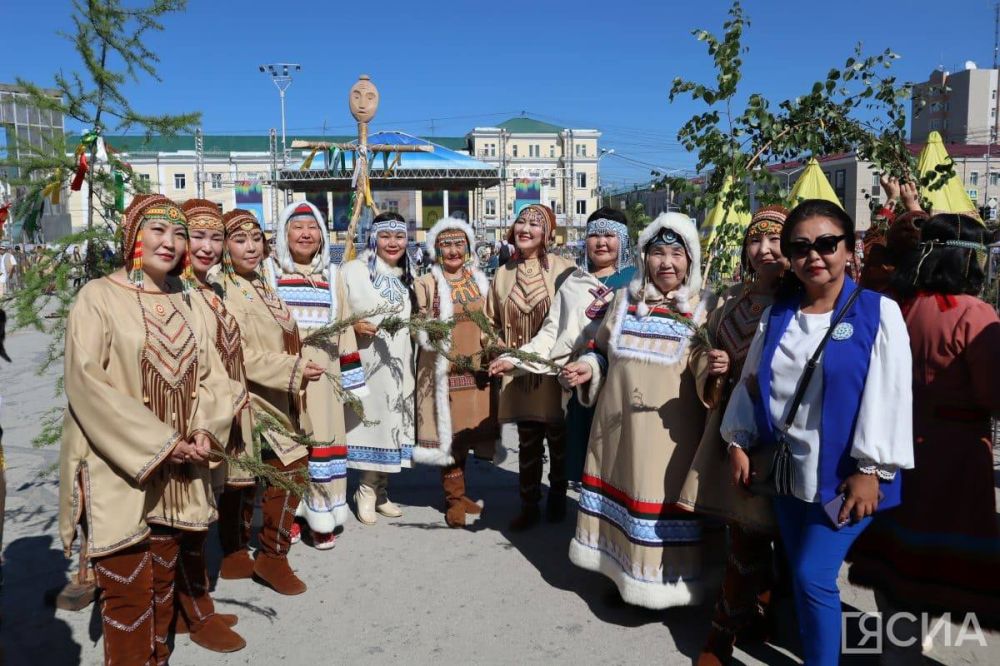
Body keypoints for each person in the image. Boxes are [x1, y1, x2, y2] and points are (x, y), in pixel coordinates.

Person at [720, 199, 914, 666]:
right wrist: (738, 440)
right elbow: (753, 380)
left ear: (849, 249)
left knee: (811, 576)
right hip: (789, 475)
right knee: (802, 576)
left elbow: (889, 393)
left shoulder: (877, 312)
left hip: (847, 478)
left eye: (828, 244)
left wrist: (872, 468)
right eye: (802, 246)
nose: (815, 256)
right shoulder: (779, 314)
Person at [59, 194, 234, 664]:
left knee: (161, 581)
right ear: (133, 236)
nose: (172, 242)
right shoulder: (98, 296)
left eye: (179, 233)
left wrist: (203, 430)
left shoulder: (189, 297)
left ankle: (159, 655)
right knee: (127, 594)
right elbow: (85, 381)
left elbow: (215, 376)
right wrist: (161, 443)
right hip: (120, 465)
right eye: (158, 230)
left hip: (179, 473)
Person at [849, 214, 1000, 645]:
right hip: (954, 454)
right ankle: (908, 646)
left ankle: (899, 641)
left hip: (894, 446)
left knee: (899, 551)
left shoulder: (894, 303)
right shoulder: (974, 313)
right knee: (937, 556)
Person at [560, 212, 709, 609]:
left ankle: (667, 587)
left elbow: (708, 370)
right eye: (657, 252)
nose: (666, 263)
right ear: (644, 258)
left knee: (659, 504)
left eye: (676, 254)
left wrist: (717, 368)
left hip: (670, 438)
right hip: (618, 428)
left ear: (691, 260)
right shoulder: (626, 302)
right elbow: (603, 352)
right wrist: (587, 368)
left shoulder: (703, 309)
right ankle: (622, 576)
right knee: (623, 502)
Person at [674, 205, 789, 664]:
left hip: (771, 434)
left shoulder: (798, 305)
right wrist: (712, 365)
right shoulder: (729, 301)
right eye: (756, 241)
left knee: (754, 531)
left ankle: (726, 630)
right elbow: (699, 348)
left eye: (776, 241)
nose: (765, 250)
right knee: (744, 529)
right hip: (725, 428)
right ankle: (749, 613)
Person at [219, 208, 324, 595]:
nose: (250, 247)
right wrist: (293, 369)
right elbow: (238, 354)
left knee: (252, 473)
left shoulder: (261, 283)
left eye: (255, 239)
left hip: (275, 393)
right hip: (250, 395)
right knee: (286, 468)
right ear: (225, 246)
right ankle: (269, 556)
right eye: (239, 239)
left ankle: (236, 554)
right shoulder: (222, 290)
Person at [489, 207, 635, 485]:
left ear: (623, 240)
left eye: (609, 236)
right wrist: (516, 359)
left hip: (622, 383)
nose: (601, 242)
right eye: (594, 235)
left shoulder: (637, 283)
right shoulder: (573, 284)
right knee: (587, 463)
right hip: (582, 387)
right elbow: (552, 334)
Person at [171, 199, 249, 653]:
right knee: (189, 516)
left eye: (215, 238)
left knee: (202, 510)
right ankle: (194, 608)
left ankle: (191, 604)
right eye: (197, 236)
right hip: (190, 419)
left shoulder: (210, 289)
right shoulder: (177, 290)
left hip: (217, 416)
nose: (207, 247)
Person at [269, 201, 365, 549]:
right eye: (298, 227)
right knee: (288, 446)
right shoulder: (269, 273)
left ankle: (321, 516)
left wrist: (352, 382)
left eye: (313, 228)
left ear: (323, 237)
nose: (305, 234)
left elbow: (345, 330)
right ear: (284, 233)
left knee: (323, 443)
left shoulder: (333, 275)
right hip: (284, 376)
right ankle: (290, 516)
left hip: (325, 377)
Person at [483, 204, 576, 530]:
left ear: (547, 234)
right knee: (527, 440)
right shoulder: (503, 273)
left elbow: (575, 318)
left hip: (553, 371)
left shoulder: (565, 270)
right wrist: (492, 344)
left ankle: (558, 496)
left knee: (559, 437)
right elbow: (490, 319)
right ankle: (529, 503)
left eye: (535, 224)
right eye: (521, 221)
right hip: (518, 375)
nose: (525, 228)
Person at [412, 216, 498, 528]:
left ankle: (461, 494)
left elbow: (491, 318)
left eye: (458, 244)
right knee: (449, 437)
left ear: (469, 248)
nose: (452, 250)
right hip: (442, 370)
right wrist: (429, 332)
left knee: (466, 434)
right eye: (445, 244)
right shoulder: (426, 283)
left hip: (474, 369)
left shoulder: (481, 280)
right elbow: (416, 325)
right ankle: (453, 500)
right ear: (435, 248)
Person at [341, 211, 417, 524]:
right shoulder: (352, 271)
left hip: (400, 362)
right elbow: (337, 313)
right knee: (372, 424)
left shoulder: (406, 273)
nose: (392, 243)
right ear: (373, 237)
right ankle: (366, 490)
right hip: (367, 362)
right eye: (385, 236)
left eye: (399, 236)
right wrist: (352, 325)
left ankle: (382, 489)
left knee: (393, 424)